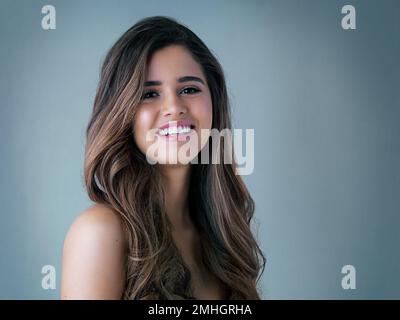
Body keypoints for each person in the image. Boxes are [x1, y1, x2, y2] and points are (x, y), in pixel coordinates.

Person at [61, 16, 265, 300]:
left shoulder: (223, 234)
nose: (173, 107)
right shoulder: (100, 232)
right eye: (149, 94)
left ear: (214, 103)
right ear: (123, 113)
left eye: (189, 89)